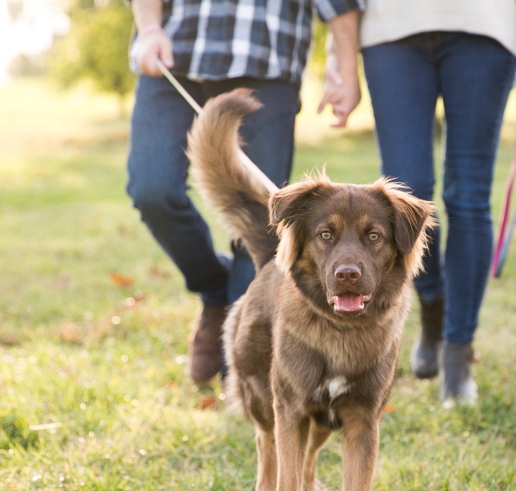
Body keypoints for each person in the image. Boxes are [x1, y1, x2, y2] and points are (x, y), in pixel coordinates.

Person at [127, 0, 363, 384]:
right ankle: (213, 290)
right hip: (172, 53)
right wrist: (149, 26)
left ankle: (236, 363)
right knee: (151, 189)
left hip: (266, 57)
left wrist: (346, 66)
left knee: (260, 222)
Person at [359, 1, 516, 406]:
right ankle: (433, 305)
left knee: (467, 196)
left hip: (484, 26)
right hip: (390, 28)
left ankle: (458, 350)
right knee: (405, 192)